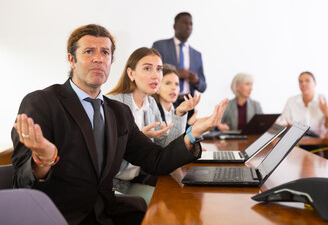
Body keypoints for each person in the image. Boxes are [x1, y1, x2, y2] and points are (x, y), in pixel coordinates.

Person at [11, 24, 228, 225]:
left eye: (105, 52)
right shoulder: (42, 102)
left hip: (107, 215)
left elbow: (156, 160)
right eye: (89, 52)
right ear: (71, 59)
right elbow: (21, 182)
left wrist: (193, 133)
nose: (98, 58)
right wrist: (43, 159)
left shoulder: (118, 112)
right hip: (62, 217)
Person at [106, 48, 200, 202]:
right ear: (131, 74)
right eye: (147, 68)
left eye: (159, 69)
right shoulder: (113, 103)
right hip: (112, 186)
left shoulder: (150, 103)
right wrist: (138, 138)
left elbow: (166, 151)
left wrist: (179, 114)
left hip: (133, 182)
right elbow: (105, 155)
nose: (156, 75)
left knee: (175, 200)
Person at [152, 12, 206, 119]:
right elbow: (152, 71)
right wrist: (176, 73)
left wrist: (196, 80)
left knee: (186, 134)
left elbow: (203, 86)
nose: (188, 26)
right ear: (174, 26)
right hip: (163, 100)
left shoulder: (197, 55)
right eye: (185, 23)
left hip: (187, 102)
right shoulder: (160, 46)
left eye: (191, 24)